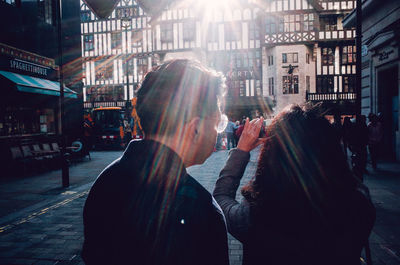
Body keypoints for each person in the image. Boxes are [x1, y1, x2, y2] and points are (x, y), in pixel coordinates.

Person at [82, 59, 229, 265]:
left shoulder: (105, 181)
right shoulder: (202, 210)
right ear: (195, 128)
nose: (217, 132)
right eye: (217, 123)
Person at [213, 104, 375, 265]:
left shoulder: (259, 212)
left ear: (273, 157)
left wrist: (241, 151)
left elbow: (221, 200)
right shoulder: (359, 205)